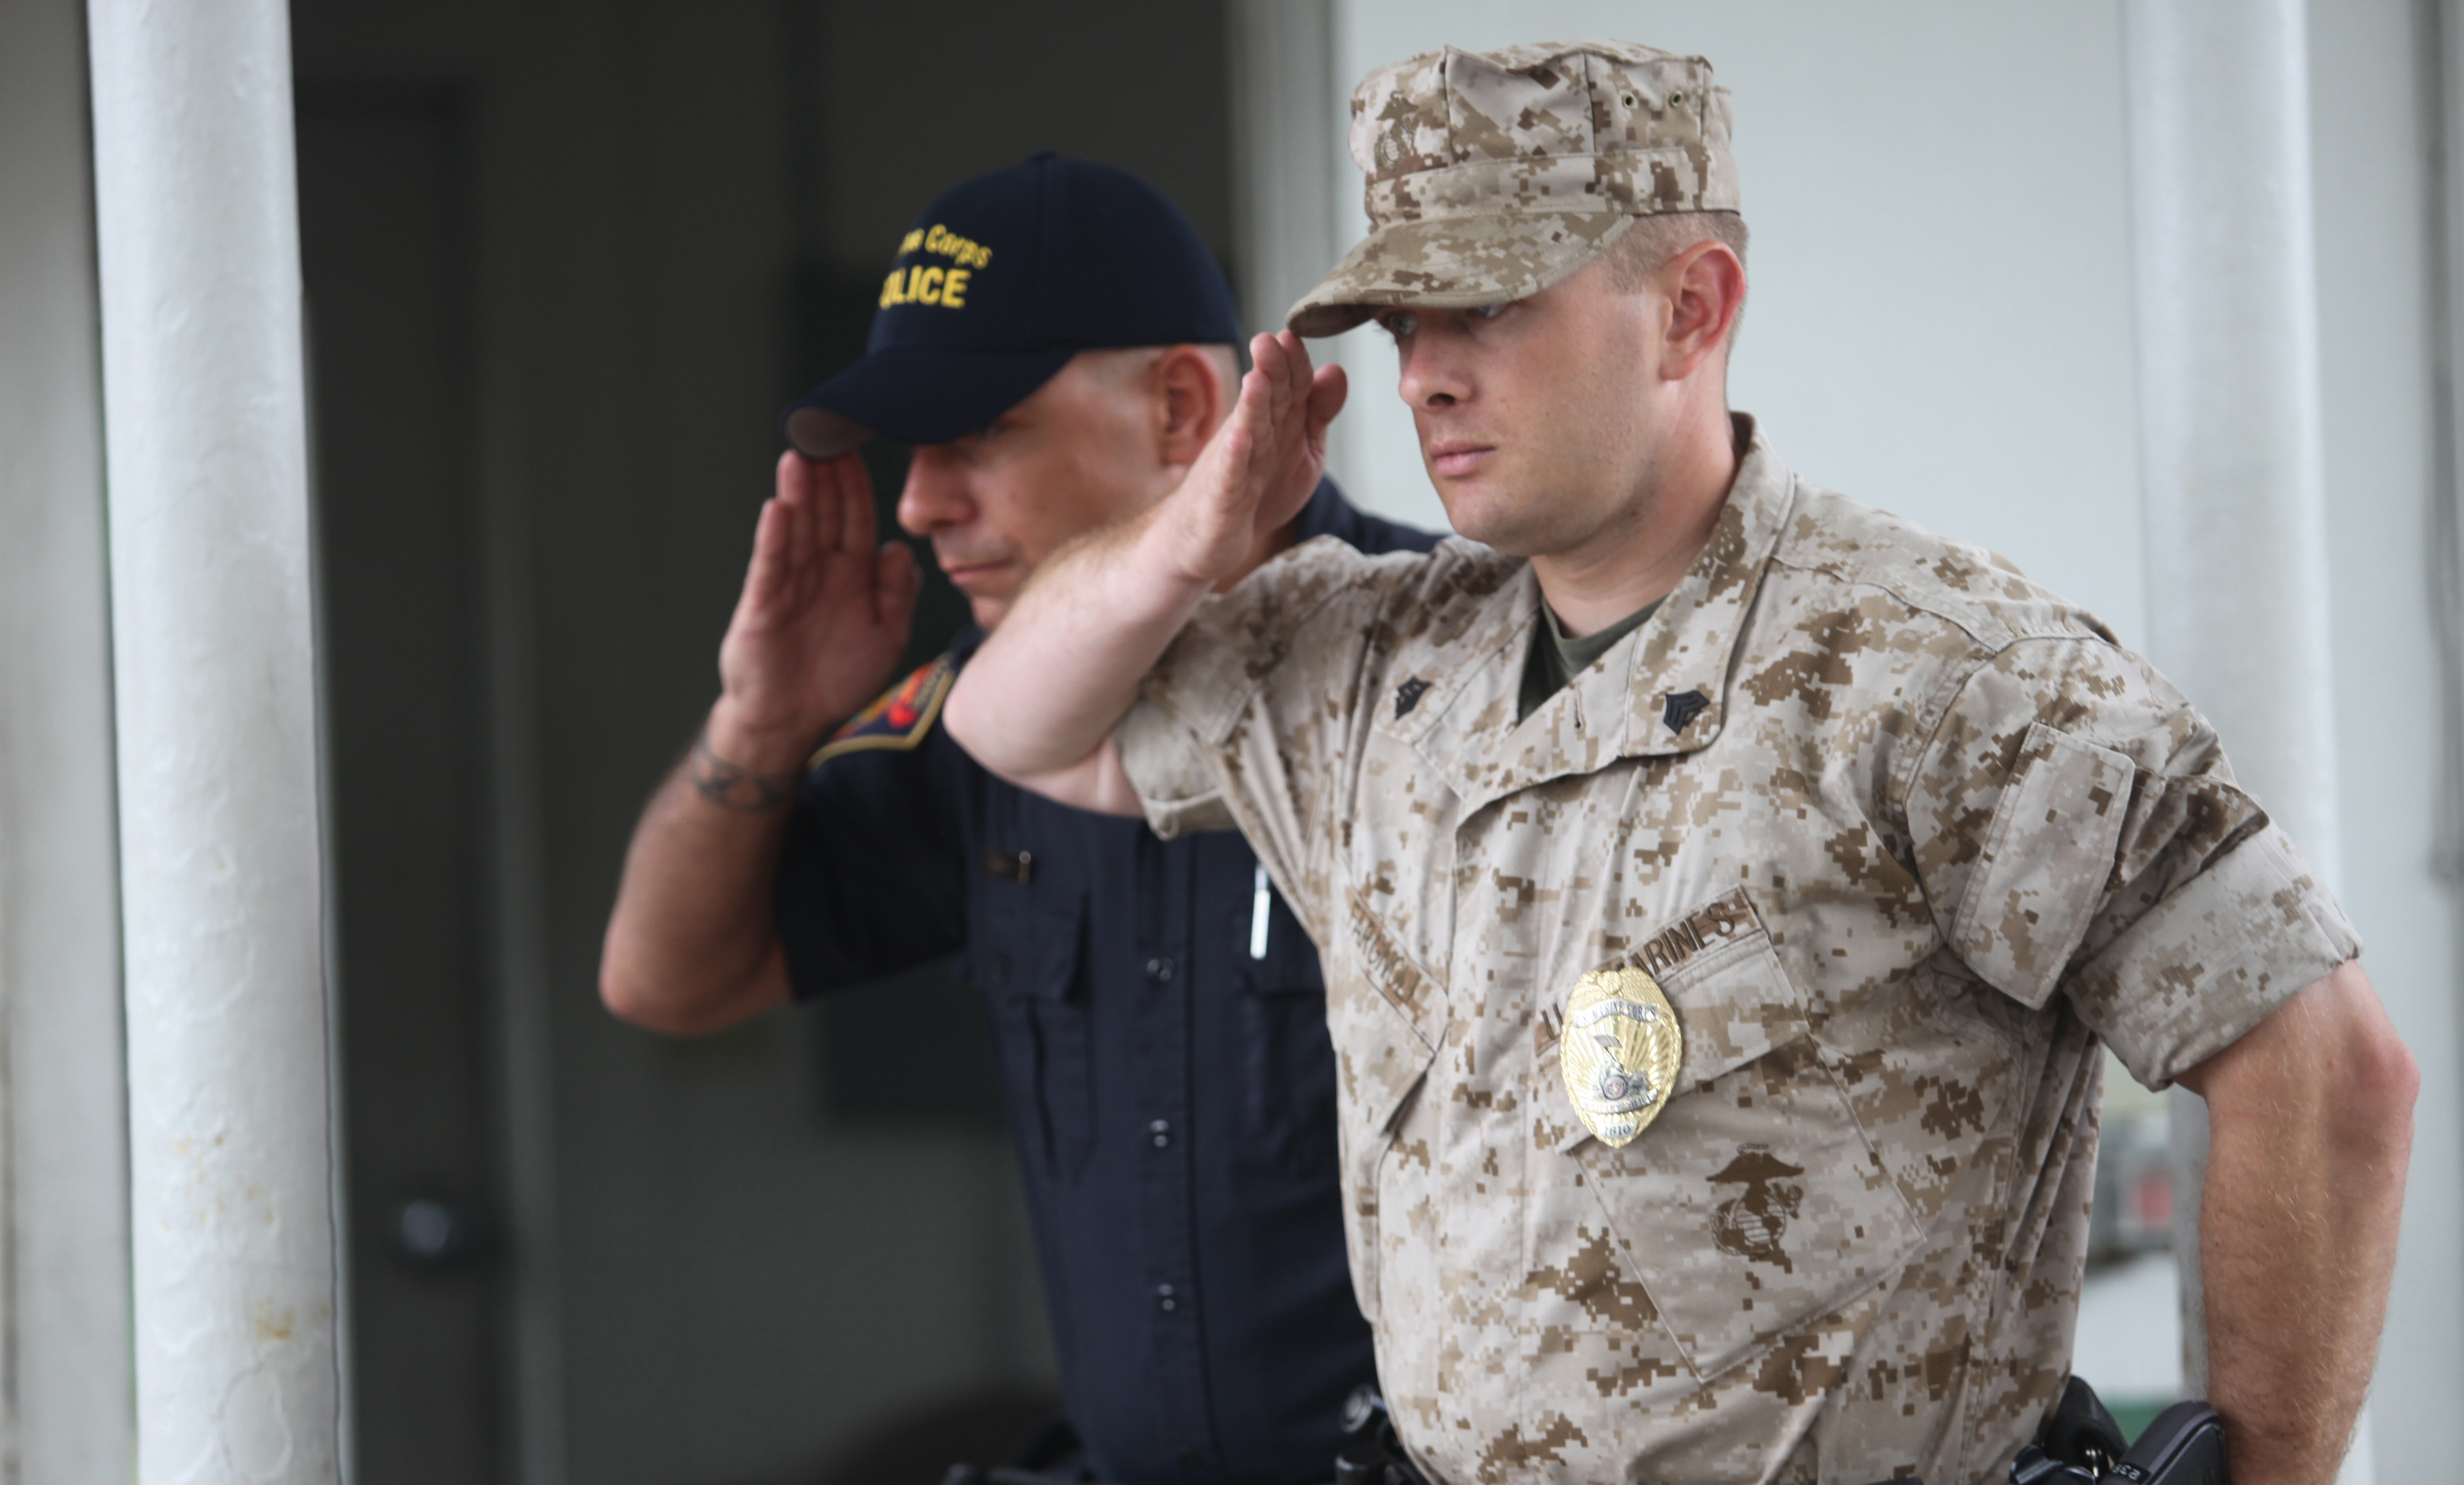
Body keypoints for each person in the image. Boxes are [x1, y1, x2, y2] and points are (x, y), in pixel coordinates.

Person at [936, 41, 2417, 1485]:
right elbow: (1012, 723)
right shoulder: (1365, 667)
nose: (1425, 379)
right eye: (1400, 326)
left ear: (1691, 308)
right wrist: (1194, 536)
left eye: (1490, 306)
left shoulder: (1941, 673)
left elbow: (2326, 1069)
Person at [598, 153, 1437, 1485]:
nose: (923, 503)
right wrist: (759, 725)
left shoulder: (1443, 663)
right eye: (912, 451)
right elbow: (665, 977)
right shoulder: (965, 727)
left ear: (1182, 408)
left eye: (976, 433)